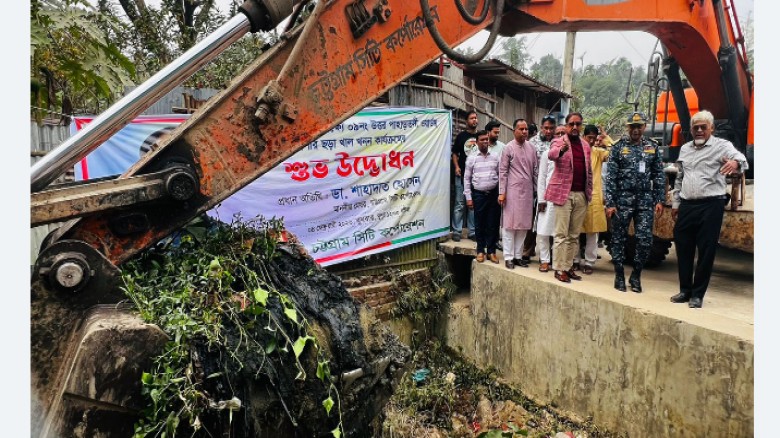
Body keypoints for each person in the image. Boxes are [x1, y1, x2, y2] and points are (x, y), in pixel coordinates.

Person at [669, 110, 748, 308]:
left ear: (711, 128)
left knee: (706, 250)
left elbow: (742, 160)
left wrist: (735, 162)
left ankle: (697, 294)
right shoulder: (685, 149)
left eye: (704, 127)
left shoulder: (722, 146)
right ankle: (685, 290)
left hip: (711, 205)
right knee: (683, 245)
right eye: (696, 127)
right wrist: (677, 203)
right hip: (687, 204)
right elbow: (679, 177)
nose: (699, 130)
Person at [604, 112, 665, 292]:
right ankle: (619, 274)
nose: (636, 130)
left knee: (645, 240)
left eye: (639, 126)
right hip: (622, 199)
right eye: (632, 126)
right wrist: (610, 203)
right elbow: (610, 178)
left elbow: (659, 176)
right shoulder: (617, 147)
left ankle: (636, 275)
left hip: (645, 200)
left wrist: (659, 199)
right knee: (618, 239)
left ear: (644, 127)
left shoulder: (652, 147)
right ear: (627, 127)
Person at [545, 112, 593, 283]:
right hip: (563, 194)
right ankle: (558, 269)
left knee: (574, 235)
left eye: (578, 124)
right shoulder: (559, 141)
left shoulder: (586, 145)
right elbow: (551, 154)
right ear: (566, 126)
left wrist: (589, 193)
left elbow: (589, 171)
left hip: (581, 195)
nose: (574, 127)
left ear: (581, 126)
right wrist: (561, 150)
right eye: (571, 124)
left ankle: (568, 266)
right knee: (561, 234)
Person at [498, 119, 538, 270]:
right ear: (514, 131)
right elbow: (502, 172)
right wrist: (502, 193)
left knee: (523, 226)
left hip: (527, 192)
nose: (524, 132)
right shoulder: (508, 148)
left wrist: (536, 191)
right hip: (512, 191)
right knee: (509, 226)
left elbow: (535, 171)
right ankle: (508, 257)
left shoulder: (532, 148)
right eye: (521, 129)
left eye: (526, 129)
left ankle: (518, 256)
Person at [574, 125, 610, 275]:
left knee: (592, 232)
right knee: (574, 230)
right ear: (584, 136)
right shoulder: (576, 151)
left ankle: (589, 262)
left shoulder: (598, 153)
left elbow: (614, 153)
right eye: (589, 138)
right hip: (578, 194)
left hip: (594, 197)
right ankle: (574, 260)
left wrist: (606, 138)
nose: (591, 141)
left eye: (594, 138)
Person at [524, 114, 558, 264]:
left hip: (553, 190)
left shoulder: (558, 143)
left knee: (550, 222)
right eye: (546, 128)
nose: (548, 131)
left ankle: (549, 255)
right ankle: (528, 250)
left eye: (551, 128)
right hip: (534, 188)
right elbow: (529, 166)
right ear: (541, 127)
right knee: (532, 221)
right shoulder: (532, 143)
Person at [464, 130, 501, 264]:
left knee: (492, 223)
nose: (485, 142)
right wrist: (468, 197)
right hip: (478, 195)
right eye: (482, 140)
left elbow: (501, 176)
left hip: (493, 195)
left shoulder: (496, 156)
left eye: (486, 139)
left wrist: (501, 193)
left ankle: (491, 251)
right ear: (477, 142)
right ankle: (480, 251)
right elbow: (466, 179)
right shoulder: (472, 158)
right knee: (479, 224)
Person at [451, 110, 478, 242]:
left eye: (476, 118)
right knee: (459, 203)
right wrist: (456, 167)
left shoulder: (480, 136)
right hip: (461, 175)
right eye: (472, 118)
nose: (475, 120)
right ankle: (457, 231)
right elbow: (454, 153)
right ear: (467, 121)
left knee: (472, 204)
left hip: (476, 176)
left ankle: (472, 231)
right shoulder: (461, 136)